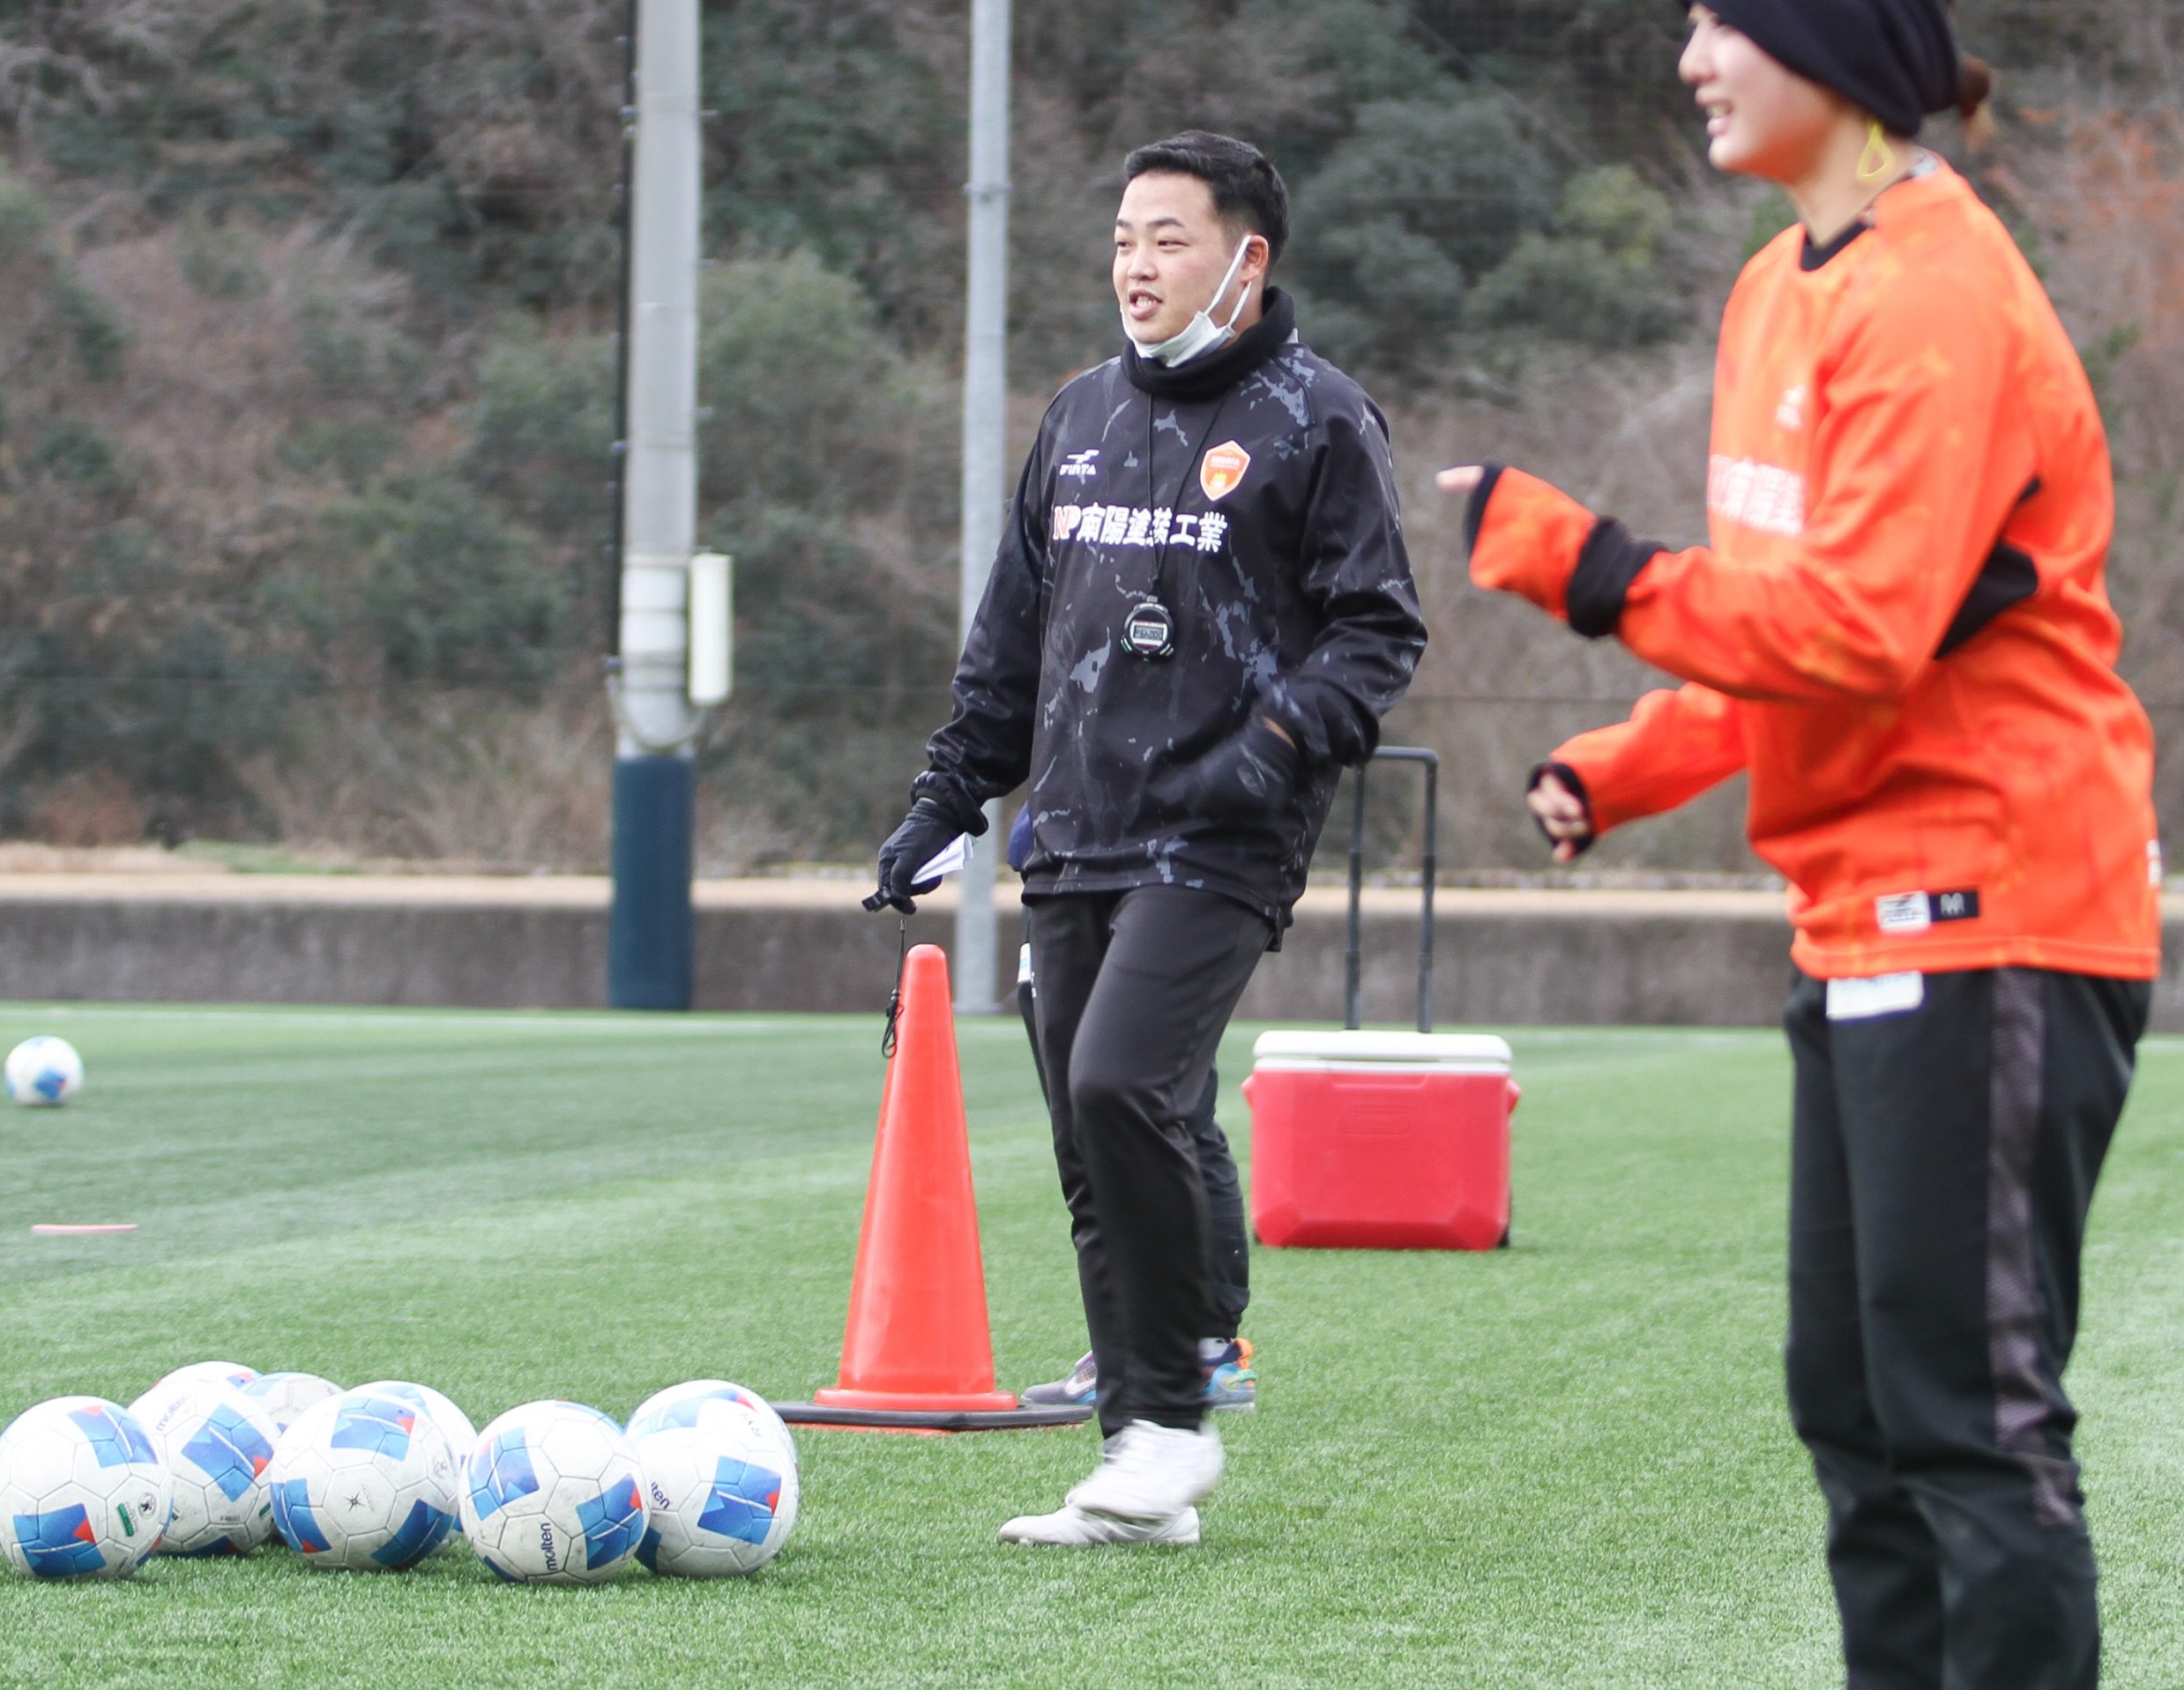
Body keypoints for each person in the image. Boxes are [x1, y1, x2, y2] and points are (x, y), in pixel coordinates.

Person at [1439, 4, 2158, 1683]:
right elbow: (1787, 625)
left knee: (1964, 1413)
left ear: (1831, 44)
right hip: (1858, 912)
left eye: (1726, 21)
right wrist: (1625, 768)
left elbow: (1861, 626)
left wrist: (1593, 566)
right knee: (1852, 1401)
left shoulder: (1938, 292)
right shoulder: (1779, 285)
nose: (1692, 56)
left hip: (1995, 905)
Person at [869, 130, 1424, 1546]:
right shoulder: (1078, 416)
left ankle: (1175, 1417)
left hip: (1222, 836)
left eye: (1169, 239)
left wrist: (1276, 746)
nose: (1137, 265)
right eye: (1123, 239)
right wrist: (945, 799)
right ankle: (1136, 1463)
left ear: (1248, 259)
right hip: (1074, 831)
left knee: (1124, 1083)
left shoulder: (1319, 418)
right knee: (1088, 1133)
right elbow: (1011, 643)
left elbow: (1377, 632)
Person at [1005, 804, 1257, 1416]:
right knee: (1102, 1128)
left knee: (1164, 1115)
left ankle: (1194, 1350)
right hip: (1070, 883)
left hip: (1147, 878)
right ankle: (1143, 1351)